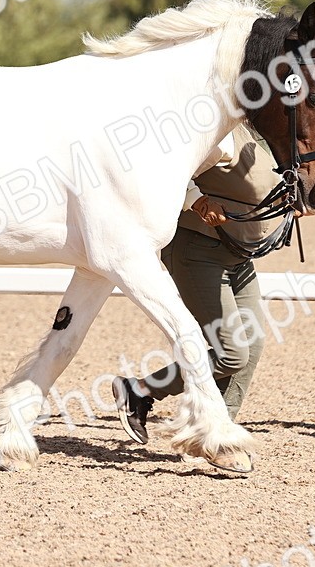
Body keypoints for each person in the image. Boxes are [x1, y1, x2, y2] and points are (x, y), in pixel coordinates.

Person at [111, 123, 278, 467]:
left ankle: (219, 434)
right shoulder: (223, 131)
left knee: (253, 341)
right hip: (197, 249)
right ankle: (142, 390)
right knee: (231, 352)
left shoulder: (273, 134)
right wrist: (195, 199)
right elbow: (164, 163)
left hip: (238, 252)